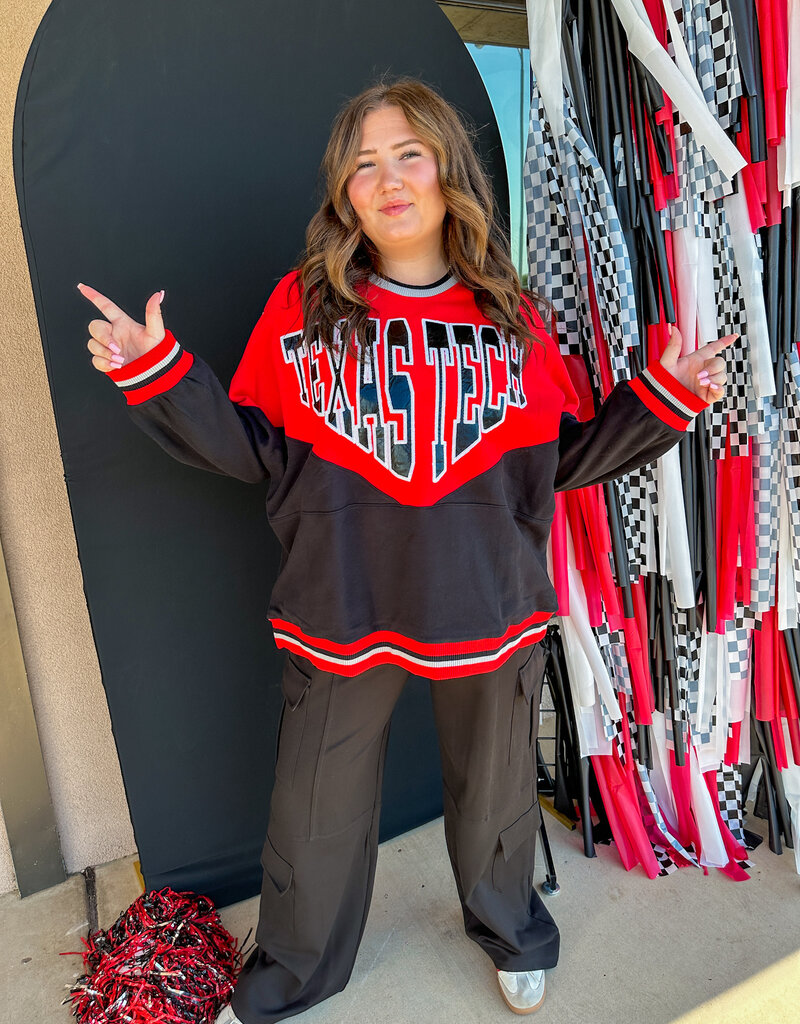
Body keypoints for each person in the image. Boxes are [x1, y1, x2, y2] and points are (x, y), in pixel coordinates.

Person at [78, 78, 732, 1022]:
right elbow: (254, 446)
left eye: (407, 155)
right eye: (362, 164)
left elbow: (557, 460)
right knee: (314, 811)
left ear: (447, 171)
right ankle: (294, 974)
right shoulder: (304, 308)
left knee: (497, 795)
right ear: (343, 193)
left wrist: (658, 401)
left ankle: (513, 933)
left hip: (489, 602)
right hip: (341, 602)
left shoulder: (512, 318)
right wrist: (158, 373)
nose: (387, 180)